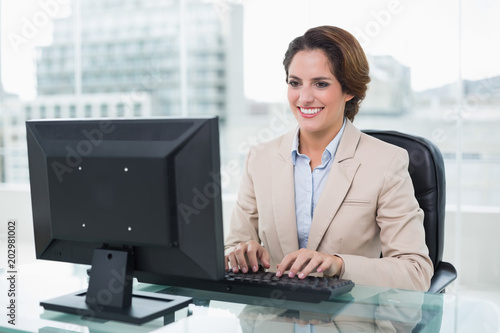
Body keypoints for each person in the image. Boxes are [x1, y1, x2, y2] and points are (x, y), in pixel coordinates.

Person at [224, 25, 433, 291]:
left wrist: (337, 265)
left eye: (321, 84)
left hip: (348, 319)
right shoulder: (260, 158)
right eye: (294, 83)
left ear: (349, 90)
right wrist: (239, 253)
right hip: (273, 317)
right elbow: (232, 245)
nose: (305, 98)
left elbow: (415, 272)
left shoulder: (386, 162)